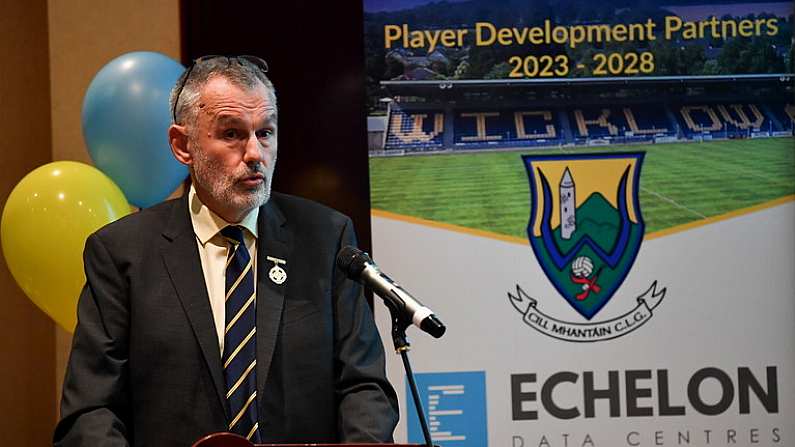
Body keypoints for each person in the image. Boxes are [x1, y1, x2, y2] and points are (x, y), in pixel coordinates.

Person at [54, 55, 399, 446]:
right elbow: (91, 410)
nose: (255, 153)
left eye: (265, 133)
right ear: (182, 146)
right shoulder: (122, 253)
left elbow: (363, 386)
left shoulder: (326, 239)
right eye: (232, 134)